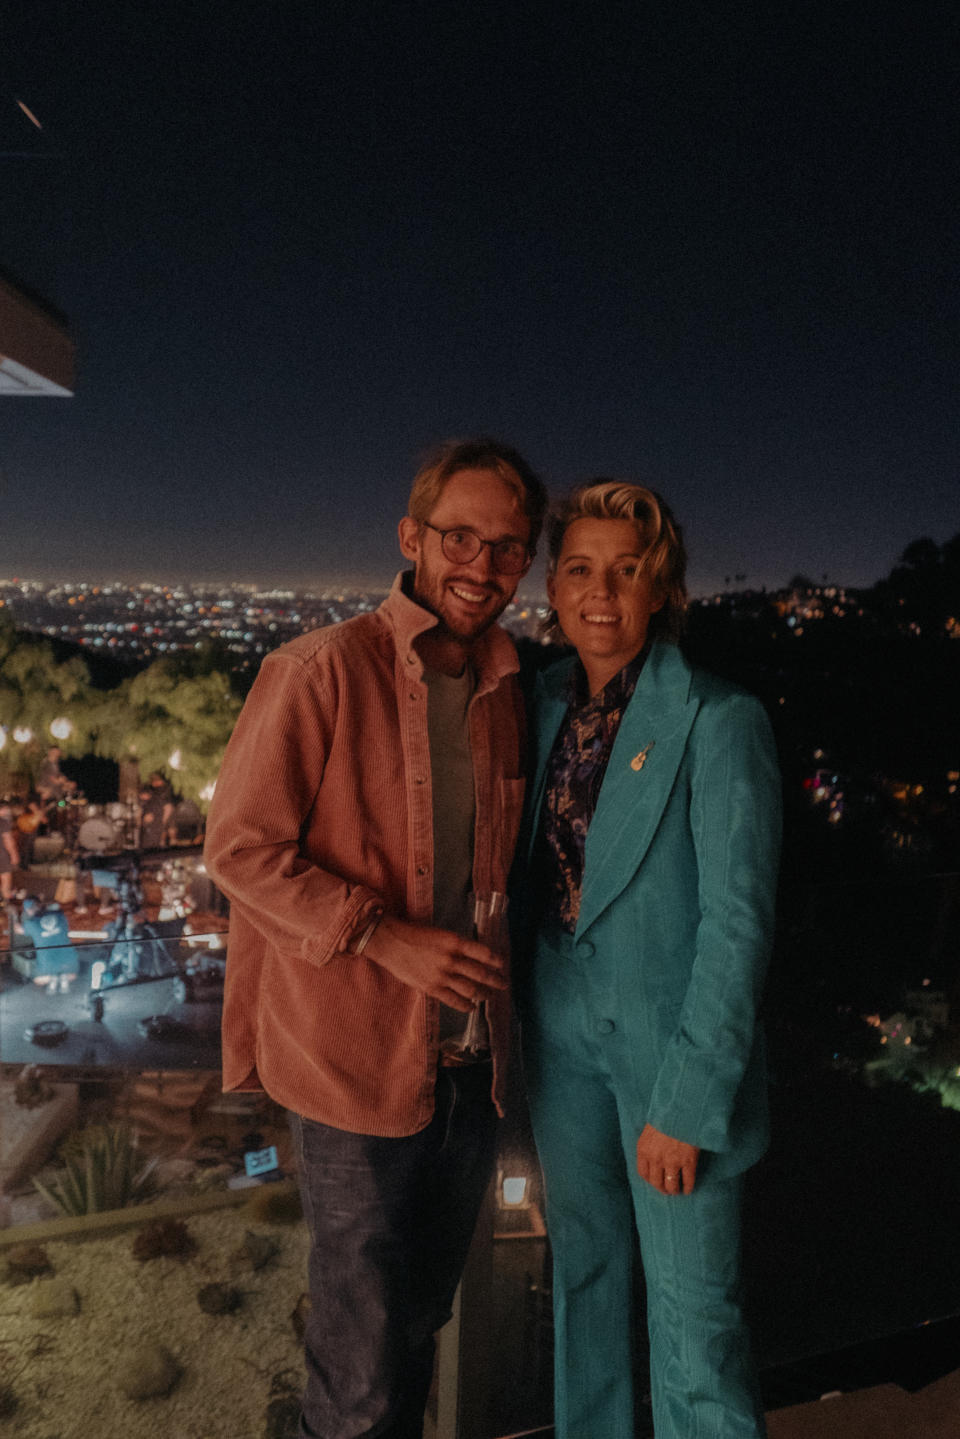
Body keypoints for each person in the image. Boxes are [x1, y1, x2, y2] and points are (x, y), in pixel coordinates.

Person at [204, 438, 547, 1439]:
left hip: (471, 1068)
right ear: (411, 537)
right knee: (361, 1373)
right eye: (460, 537)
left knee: (417, 1327)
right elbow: (240, 849)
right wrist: (383, 936)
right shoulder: (317, 670)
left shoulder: (511, 691)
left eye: (508, 546)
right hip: (354, 1071)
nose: (481, 565)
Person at [513, 481, 781, 1439]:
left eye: (628, 571)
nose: (601, 591)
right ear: (553, 585)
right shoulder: (537, 703)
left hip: (673, 1064)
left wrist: (689, 1101)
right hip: (560, 1043)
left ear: (661, 590)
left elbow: (738, 924)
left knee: (695, 1320)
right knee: (582, 1281)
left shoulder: (719, 718)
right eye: (581, 568)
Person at [138, 771, 174, 848]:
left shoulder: (166, 794)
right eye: (153, 781)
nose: (155, 783)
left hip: (159, 828)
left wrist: (163, 824)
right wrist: (143, 819)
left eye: (158, 780)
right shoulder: (150, 794)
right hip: (150, 831)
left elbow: (168, 808)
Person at [0, 797, 19, 903]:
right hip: (2, 856)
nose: (8, 811)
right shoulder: (3, 822)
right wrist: (14, 855)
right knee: (6, 880)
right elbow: (8, 841)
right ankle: (7, 904)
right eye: (6, 809)